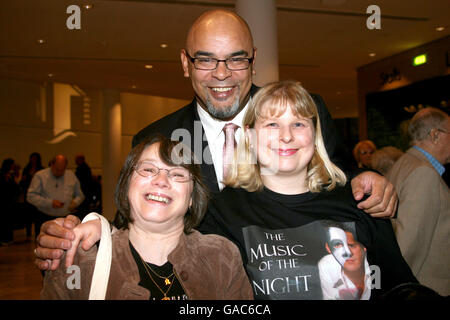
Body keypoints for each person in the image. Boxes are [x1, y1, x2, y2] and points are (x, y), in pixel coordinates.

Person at [34, 9, 397, 271]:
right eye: (205, 60)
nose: (222, 74)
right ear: (185, 63)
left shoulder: (303, 116)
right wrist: (83, 232)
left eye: (236, 59)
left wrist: (370, 182)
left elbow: (337, 181)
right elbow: (134, 226)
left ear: (254, 60)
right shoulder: (155, 139)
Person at [199, 81, 417, 300]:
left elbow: (400, 289)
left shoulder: (360, 202)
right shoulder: (222, 213)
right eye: (272, 124)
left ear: (315, 135)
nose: (286, 136)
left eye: (299, 124)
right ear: (250, 136)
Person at [41, 135, 253, 300]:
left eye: (178, 174)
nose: (161, 180)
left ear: (191, 198)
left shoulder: (222, 257)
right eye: (149, 169)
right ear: (126, 185)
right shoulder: (80, 258)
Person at [387, 107, 450, 296]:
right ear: (435, 135)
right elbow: (408, 246)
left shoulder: (404, 163)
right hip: (427, 290)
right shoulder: (424, 174)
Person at [27, 155, 85, 236]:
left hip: (65, 218)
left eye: (62, 170)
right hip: (45, 217)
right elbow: (30, 196)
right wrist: (49, 203)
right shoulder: (40, 176)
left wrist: (75, 202)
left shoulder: (71, 176)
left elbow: (80, 195)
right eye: (57, 169)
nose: (59, 173)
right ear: (52, 164)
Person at [318, 223, 370, 300]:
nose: (347, 252)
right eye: (338, 245)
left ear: (363, 248)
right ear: (329, 248)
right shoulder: (327, 264)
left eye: (352, 245)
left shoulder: (376, 267)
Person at [20, 152, 44, 239]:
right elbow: (22, 183)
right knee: (28, 216)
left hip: (38, 196)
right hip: (28, 196)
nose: (33, 160)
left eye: (35, 158)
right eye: (32, 158)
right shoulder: (26, 169)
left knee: (37, 216)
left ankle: (38, 233)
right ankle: (28, 234)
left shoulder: (41, 170)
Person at [0, 158, 21, 245]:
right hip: (3, 201)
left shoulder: (12, 175)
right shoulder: (2, 174)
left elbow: (15, 188)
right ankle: (3, 239)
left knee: (9, 221)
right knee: (3, 220)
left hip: (10, 201)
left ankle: (9, 238)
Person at [74, 154, 93, 220]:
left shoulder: (82, 168)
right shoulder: (85, 167)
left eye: (76, 159)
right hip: (85, 192)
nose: (75, 161)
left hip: (84, 192)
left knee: (83, 211)